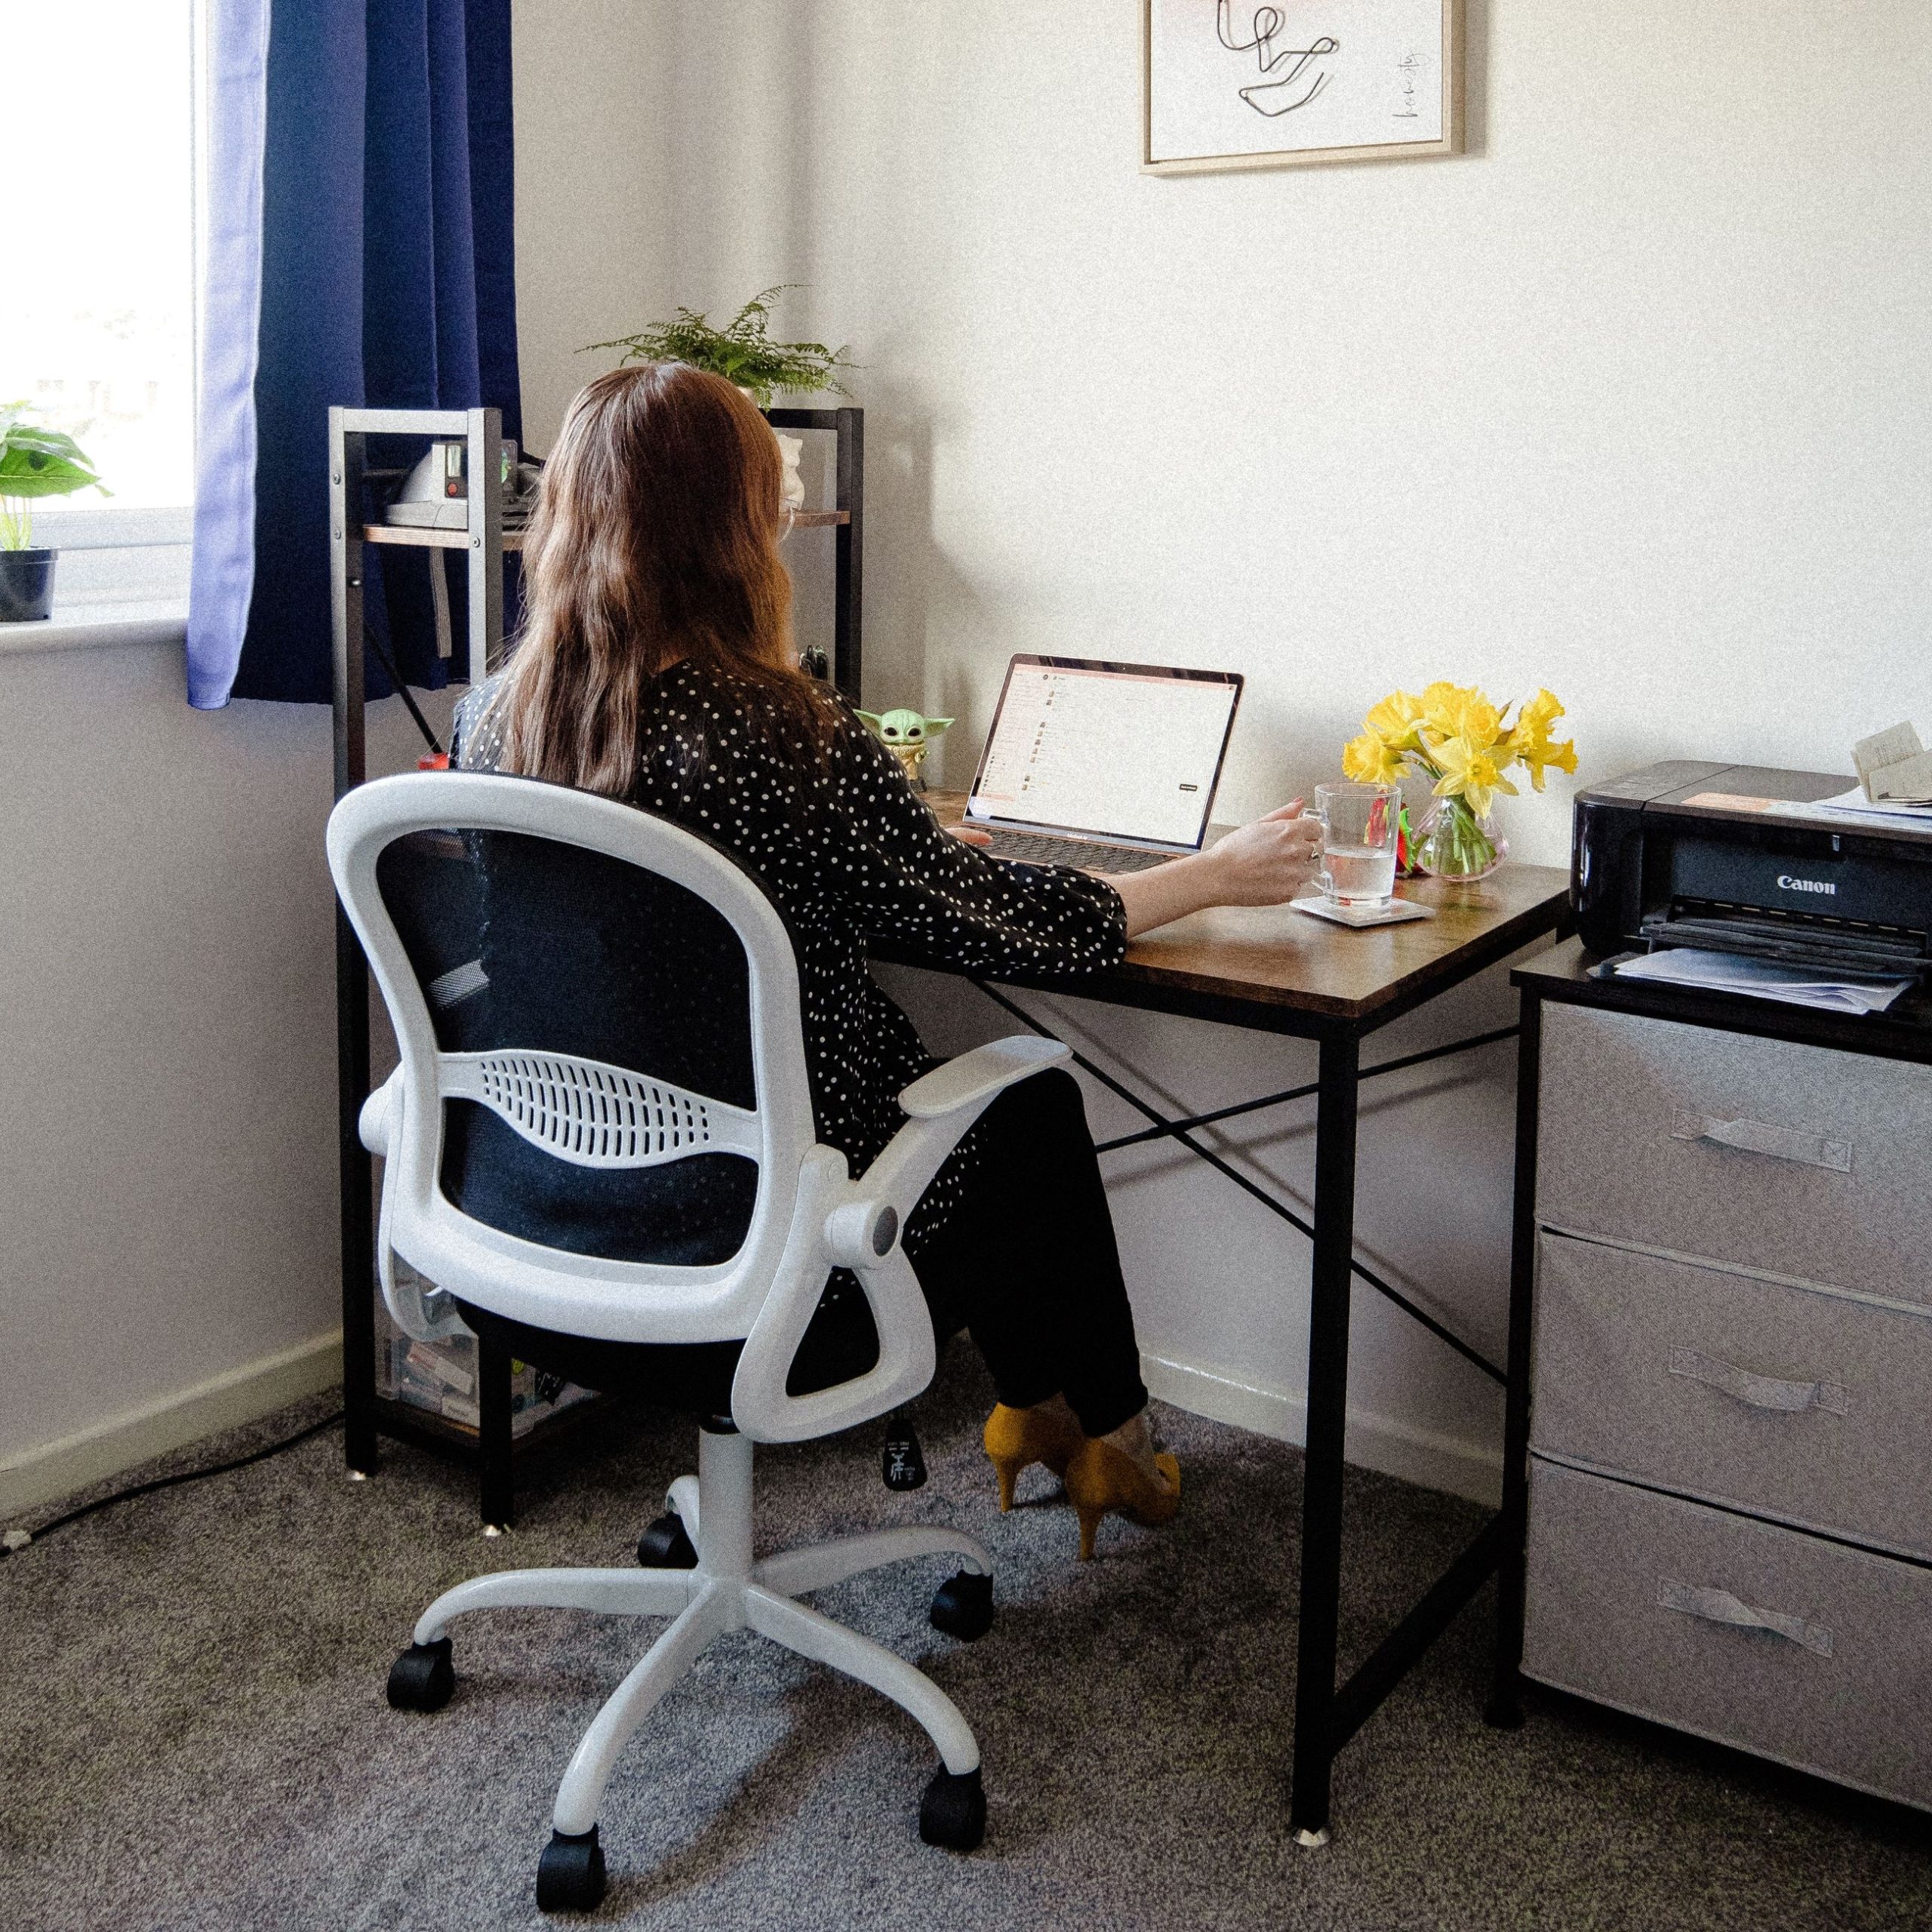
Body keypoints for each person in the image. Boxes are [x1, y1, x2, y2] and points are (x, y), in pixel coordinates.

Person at [454, 363, 1321, 1559]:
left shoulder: (493, 717)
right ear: (736, 525)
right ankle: (1104, 1436)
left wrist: (891, 848)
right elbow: (1009, 924)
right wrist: (1215, 874)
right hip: (773, 1255)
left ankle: (1047, 1417)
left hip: (539, 1220)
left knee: (994, 1115)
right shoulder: (787, 734)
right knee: (1027, 1107)